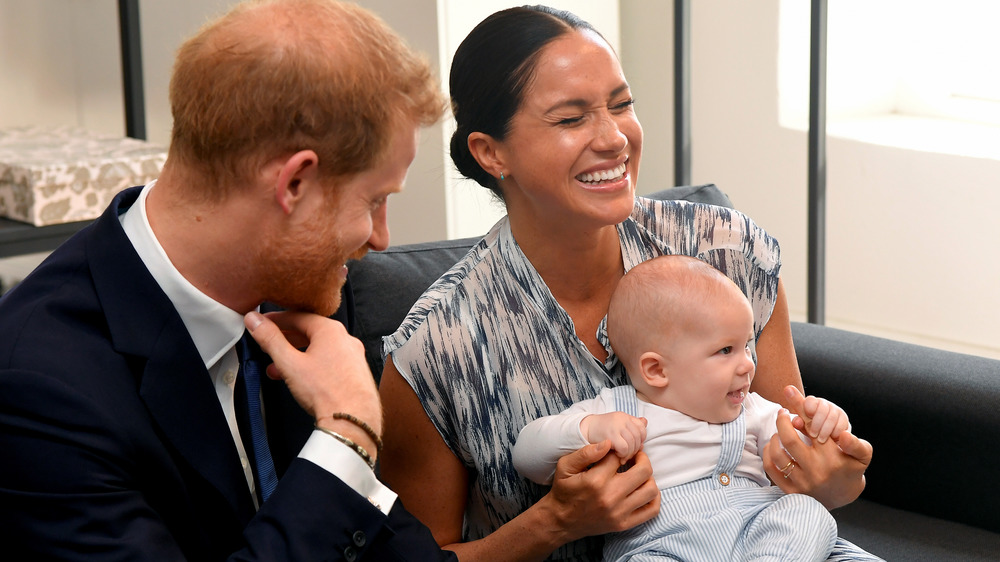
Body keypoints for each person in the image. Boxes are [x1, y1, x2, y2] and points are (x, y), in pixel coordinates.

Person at [378, 5, 876, 561]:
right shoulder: (437, 351)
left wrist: (832, 479)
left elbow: (799, 468)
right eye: (571, 119)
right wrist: (555, 522)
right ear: (490, 152)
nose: (614, 138)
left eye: (621, 105)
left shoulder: (727, 252)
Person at [0, 1, 457, 559]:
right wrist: (347, 436)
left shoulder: (303, 293)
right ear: (294, 184)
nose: (381, 238)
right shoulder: (38, 388)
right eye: (375, 200)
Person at [513, 255, 852, 561]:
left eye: (747, 346)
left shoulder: (753, 409)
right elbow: (527, 454)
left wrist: (822, 425)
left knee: (808, 512)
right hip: (662, 545)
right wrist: (588, 429)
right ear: (657, 371)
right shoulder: (615, 410)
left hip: (760, 533)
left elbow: (804, 457)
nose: (748, 364)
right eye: (725, 350)